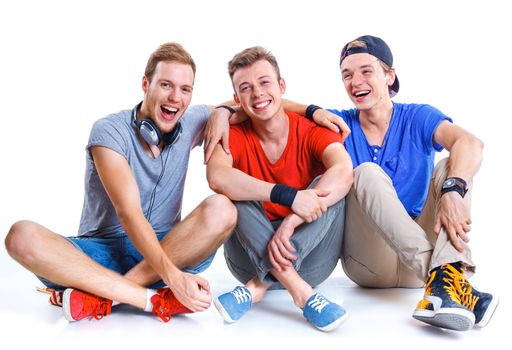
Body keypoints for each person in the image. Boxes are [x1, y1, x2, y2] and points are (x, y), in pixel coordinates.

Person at [4, 42, 237, 323]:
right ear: (145, 83)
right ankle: (151, 299)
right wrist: (173, 277)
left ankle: (103, 296)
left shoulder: (192, 121)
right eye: (165, 85)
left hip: (170, 247)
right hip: (102, 253)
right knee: (21, 236)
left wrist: (223, 112)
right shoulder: (109, 130)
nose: (175, 97)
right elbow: (129, 213)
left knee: (223, 208)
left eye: (185, 89)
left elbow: (252, 102)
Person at [284, 35, 498, 331]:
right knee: (367, 172)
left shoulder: (416, 117)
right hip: (369, 263)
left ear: (389, 76)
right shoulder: (337, 124)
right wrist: (312, 110)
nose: (355, 81)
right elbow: (265, 105)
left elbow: (471, 143)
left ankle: (443, 287)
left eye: (366, 71)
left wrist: (453, 189)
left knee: (453, 166)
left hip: (418, 257)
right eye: (347, 75)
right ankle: (446, 279)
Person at [206, 47, 354, 332]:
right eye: (246, 88)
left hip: (312, 260)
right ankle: (301, 293)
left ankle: (258, 288)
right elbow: (217, 177)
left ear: (281, 86)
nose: (258, 94)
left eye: (265, 83)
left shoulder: (312, 128)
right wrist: (288, 196)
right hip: (247, 259)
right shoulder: (232, 134)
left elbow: (344, 171)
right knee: (232, 191)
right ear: (237, 100)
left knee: (329, 187)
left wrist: (291, 222)